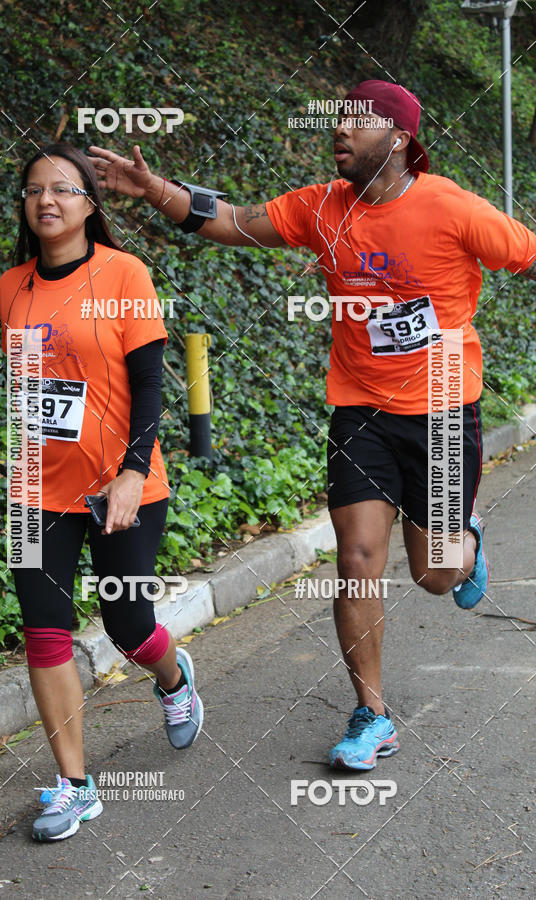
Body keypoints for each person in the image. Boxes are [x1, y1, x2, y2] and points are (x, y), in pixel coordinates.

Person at [89, 79, 536, 772]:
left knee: (437, 576)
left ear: (398, 140)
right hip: (359, 408)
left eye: (357, 121)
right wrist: (154, 190)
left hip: (444, 405)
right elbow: (229, 220)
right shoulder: (320, 207)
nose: (339, 131)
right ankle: (372, 714)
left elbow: (528, 254)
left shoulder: (454, 209)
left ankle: (464, 539)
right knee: (355, 562)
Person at [0, 143, 203, 841]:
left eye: (62, 188)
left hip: (123, 487)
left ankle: (174, 680)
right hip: (37, 488)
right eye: (33, 190)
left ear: (90, 202)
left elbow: (148, 384)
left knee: (127, 625)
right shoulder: (11, 287)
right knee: (43, 630)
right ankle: (75, 785)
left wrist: (133, 471)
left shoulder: (124, 273)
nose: (46, 200)